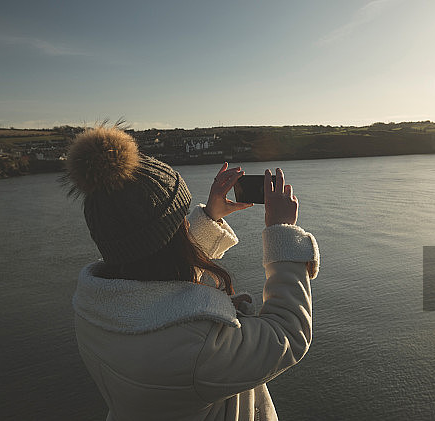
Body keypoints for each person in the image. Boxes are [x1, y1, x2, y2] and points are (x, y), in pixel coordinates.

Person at [65, 126, 319, 421]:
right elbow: (287, 335)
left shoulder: (91, 309)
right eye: (181, 218)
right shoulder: (198, 346)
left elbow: (153, 274)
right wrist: (282, 233)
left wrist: (209, 217)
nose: (187, 223)